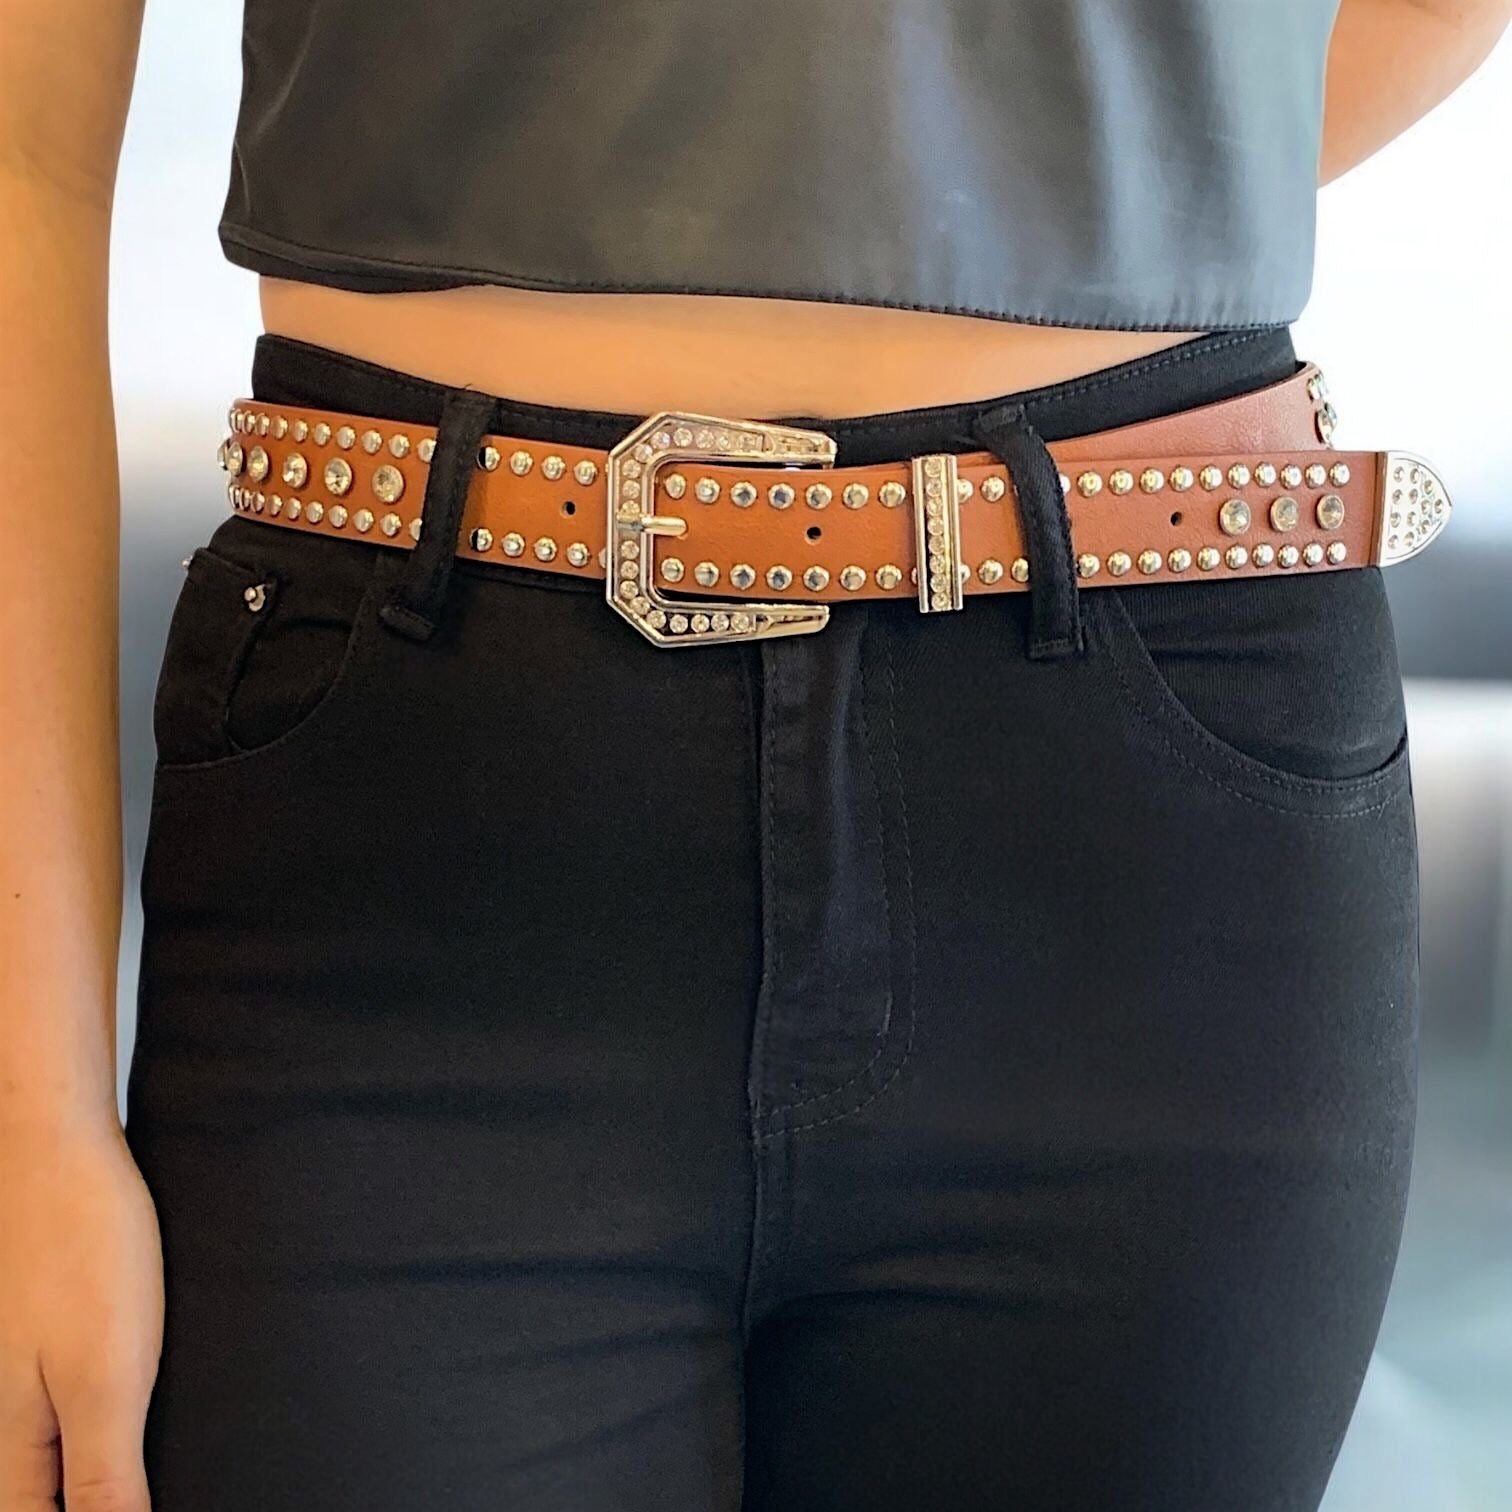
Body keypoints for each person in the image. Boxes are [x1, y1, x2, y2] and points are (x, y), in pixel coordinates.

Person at [1, 1, 1506, 1508]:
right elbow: (23, 155)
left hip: (1146, 822)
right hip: (419, 827)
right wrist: (23, 1117)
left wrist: (1035, 155)